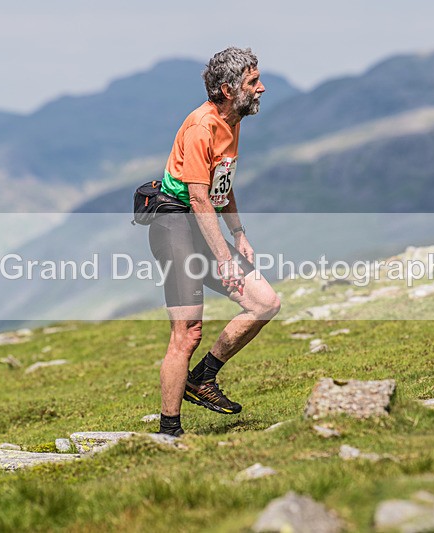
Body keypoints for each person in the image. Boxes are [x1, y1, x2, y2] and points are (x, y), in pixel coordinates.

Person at [148, 47, 281, 437]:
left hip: (202, 223)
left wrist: (238, 233)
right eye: (253, 82)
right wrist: (224, 256)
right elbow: (198, 196)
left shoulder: (232, 120)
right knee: (188, 331)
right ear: (228, 89)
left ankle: (203, 377)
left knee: (265, 303)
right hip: (174, 224)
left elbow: (221, 184)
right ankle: (169, 432)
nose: (261, 88)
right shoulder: (201, 126)